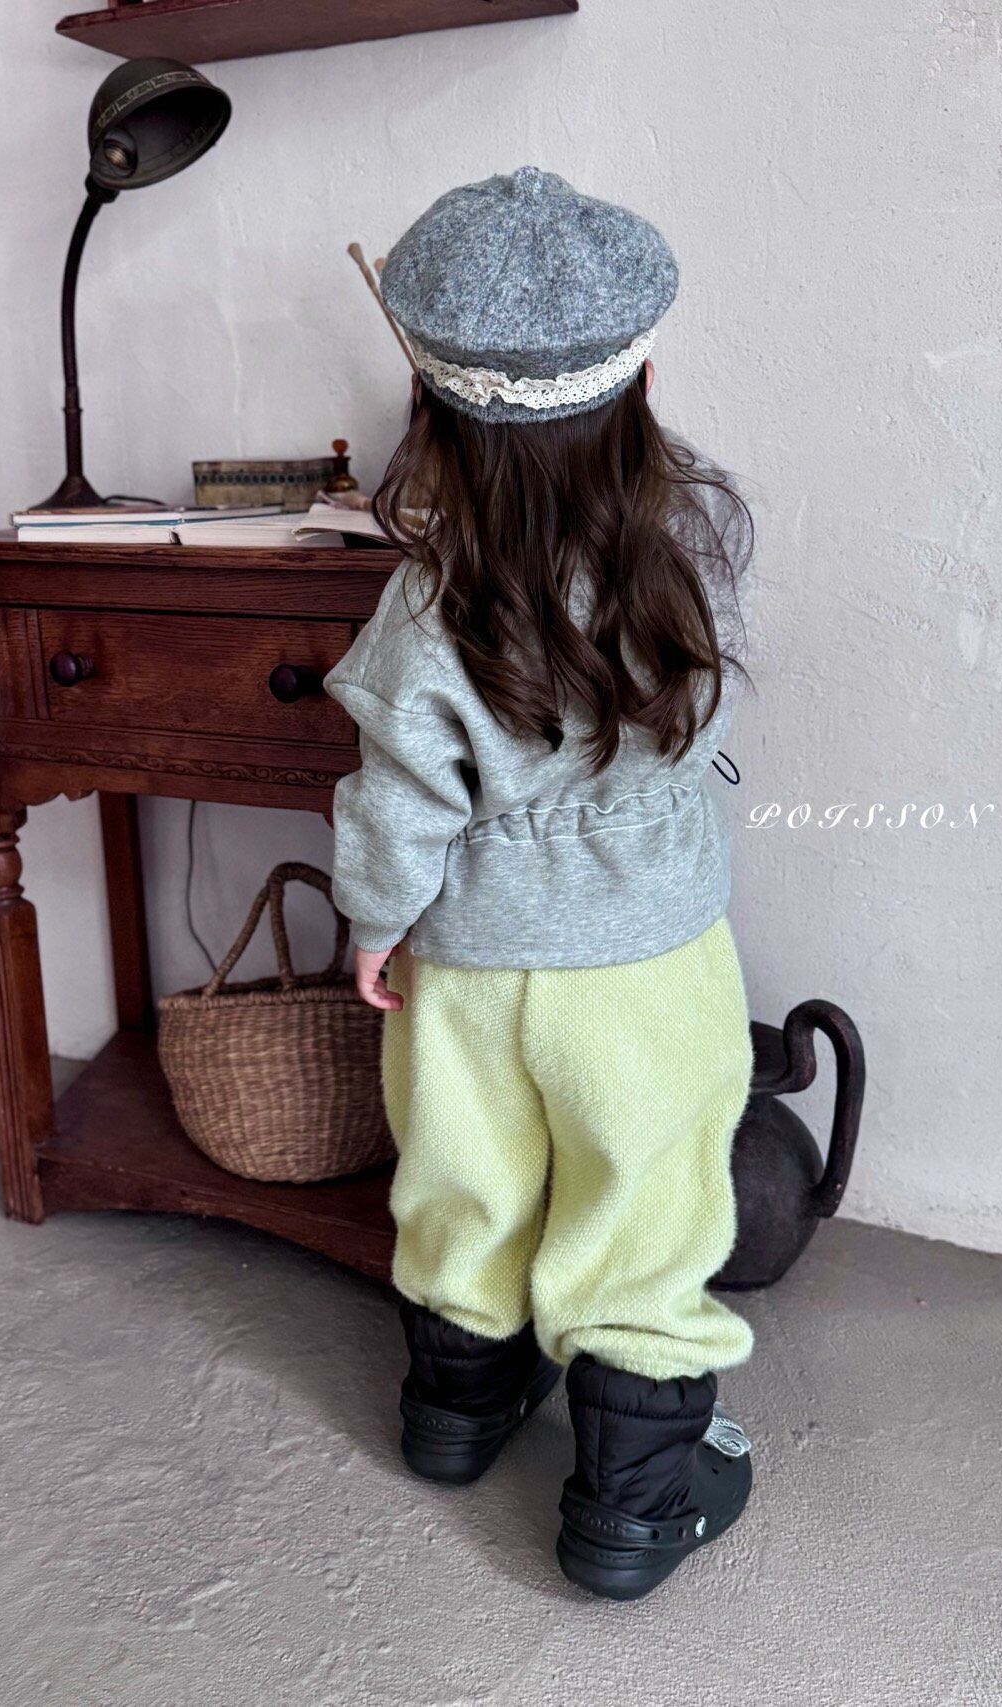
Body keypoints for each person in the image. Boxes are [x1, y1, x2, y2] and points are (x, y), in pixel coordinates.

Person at [324, 167, 756, 1601]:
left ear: (428, 410)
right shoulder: (692, 550)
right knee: (644, 1196)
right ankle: (634, 1504)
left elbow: (398, 795)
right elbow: (695, 719)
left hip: (464, 959)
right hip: (644, 958)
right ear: (641, 387)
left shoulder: (423, 598)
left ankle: (454, 1411)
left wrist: (375, 927)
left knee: (465, 1173)